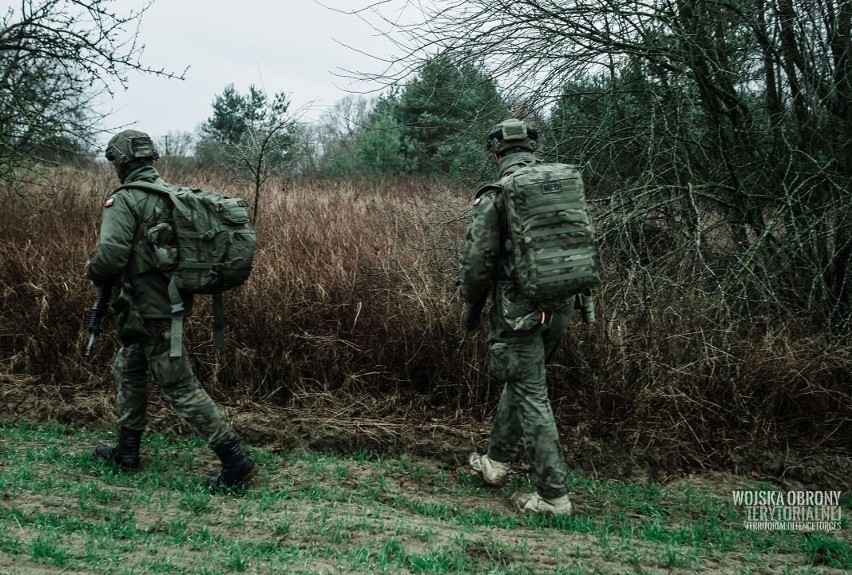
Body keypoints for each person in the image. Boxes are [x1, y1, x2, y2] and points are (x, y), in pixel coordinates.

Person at [86, 129, 257, 490]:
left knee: (179, 384)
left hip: (149, 310)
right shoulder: (170, 196)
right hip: (160, 304)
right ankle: (127, 450)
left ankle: (234, 460)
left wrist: (92, 270)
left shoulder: (126, 199)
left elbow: (112, 255)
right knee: (129, 366)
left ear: (120, 161)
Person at [460, 118, 587, 515]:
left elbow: (477, 264)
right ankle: (496, 463)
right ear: (531, 148)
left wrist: (470, 302)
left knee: (531, 392)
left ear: (496, 153)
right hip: (562, 304)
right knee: (522, 382)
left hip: (518, 313)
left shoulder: (496, 196)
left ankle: (553, 495)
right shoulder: (562, 184)